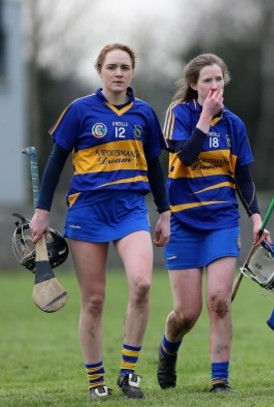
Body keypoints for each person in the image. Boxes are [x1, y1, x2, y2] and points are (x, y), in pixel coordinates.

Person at [29, 43, 171, 399]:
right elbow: (55, 162)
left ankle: (128, 372)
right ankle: (96, 381)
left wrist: (165, 212)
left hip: (130, 210)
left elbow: (155, 166)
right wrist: (42, 211)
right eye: (112, 67)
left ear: (132, 72)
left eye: (125, 67)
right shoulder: (79, 111)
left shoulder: (145, 114)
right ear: (100, 71)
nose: (118, 72)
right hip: (87, 212)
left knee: (142, 284)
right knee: (94, 300)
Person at [156, 53, 269, 393]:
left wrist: (255, 218)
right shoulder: (178, 115)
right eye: (207, 80)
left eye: (219, 79)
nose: (215, 86)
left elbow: (244, 179)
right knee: (186, 314)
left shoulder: (234, 124)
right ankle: (168, 348)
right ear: (193, 85)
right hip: (183, 223)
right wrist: (205, 117)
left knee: (219, 299)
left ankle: (220, 379)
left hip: (221, 221)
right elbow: (185, 157)